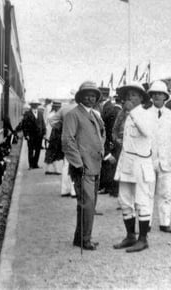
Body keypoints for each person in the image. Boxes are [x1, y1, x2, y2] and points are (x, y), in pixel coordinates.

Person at [61, 81, 105, 251]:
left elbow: (101, 134)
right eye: (87, 95)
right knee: (87, 203)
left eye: (93, 95)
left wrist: (100, 150)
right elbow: (67, 140)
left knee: (88, 203)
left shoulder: (94, 114)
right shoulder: (73, 115)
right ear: (80, 97)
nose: (90, 98)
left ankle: (80, 237)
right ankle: (85, 239)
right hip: (83, 167)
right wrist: (78, 163)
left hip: (95, 164)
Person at [112, 82, 155, 252]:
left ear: (141, 99)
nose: (130, 98)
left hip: (140, 165)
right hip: (127, 164)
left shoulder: (146, 114)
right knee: (124, 200)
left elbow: (146, 132)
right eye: (128, 95)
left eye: (134, 95)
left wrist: (133, 113)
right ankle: (130, 236)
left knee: (142, 201)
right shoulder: (126, 115)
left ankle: (143, 239)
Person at [147, 81, 171, 233]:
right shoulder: (145, 114)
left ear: (165, 97)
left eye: (160, 94)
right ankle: (145, 223)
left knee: (166, 193)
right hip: (148, 160)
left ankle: (165, 223)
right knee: (147, 193)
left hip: (166, 160)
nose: (157, 96)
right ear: (151, 96)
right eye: (154, 94)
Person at [20, 100, 46, 169]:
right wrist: (26, 135)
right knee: (31, 150)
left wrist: (44, 132)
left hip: (39, 135)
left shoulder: (40, 113)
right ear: (31, 105)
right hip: (31, 135)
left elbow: (43, 123)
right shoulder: (27, 114)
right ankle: (31, 165)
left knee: (38, 150)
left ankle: (35, 164)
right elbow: (24, 125)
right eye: (34, 105)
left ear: (38, 105)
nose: (35, 106)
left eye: (36, 105)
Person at [44, 101, 63, 175]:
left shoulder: (58, 115)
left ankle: (51, 169)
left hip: (57, 136)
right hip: (53, 136)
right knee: (53, 152)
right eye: (57, 107)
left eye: (59, 106)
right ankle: (54, 169)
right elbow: (48, 127)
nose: (58, 108)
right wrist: (47, 137)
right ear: (54, 107)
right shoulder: (51, 115)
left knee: (54, 153)